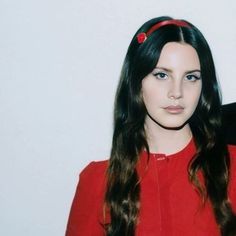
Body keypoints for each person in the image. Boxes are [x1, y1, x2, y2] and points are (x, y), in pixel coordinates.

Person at [66, 16, 236, 236]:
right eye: (162, 75)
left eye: (191, 77)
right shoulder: (98, 181)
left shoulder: (232, 169)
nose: (177, 92)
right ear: (136, 82)